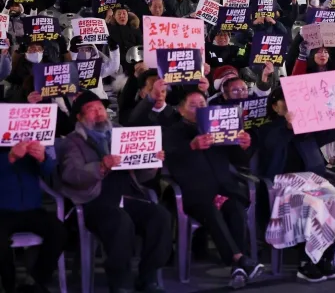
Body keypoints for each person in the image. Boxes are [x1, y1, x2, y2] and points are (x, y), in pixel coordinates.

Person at [57, 91, 171, 293]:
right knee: (121, 222)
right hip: (95, 200)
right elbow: (71, 175)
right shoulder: (72, 142)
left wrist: (152, 161)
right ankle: (120, 283)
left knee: (160, 216)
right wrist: (100, 166)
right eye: (91, 110)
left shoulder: (120, 132)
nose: (98, 113)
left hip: (129, 195)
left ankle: (149, 277)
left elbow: (143, 176)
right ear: (80, 118)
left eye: (100, 108)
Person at [161, 90, 264, 289]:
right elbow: (169, 159)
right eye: (193, 105)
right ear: (181, 111)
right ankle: (240, 259)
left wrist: (244, 146)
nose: (200, 108)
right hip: (194, 193)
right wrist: (190, 146)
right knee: (211, 211)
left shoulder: (219, 127)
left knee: (234, 208)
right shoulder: (173, 132)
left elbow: (239, 160)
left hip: (224, 188)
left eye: (202, 103)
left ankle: (238, 267)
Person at [260, 87, 335, 282]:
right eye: (284, 101)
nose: (290, 105)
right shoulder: (267, 129)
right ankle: (306, 263)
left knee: (334, 201)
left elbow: (332, 132)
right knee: (314, 204)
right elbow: (273, 143)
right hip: (284, 185)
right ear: (275, 107)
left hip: (312, 181)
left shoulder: (308, 127)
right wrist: (288, 127)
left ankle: (326, 258)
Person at [0, 141, 67, 293]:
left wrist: (43, 158)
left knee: (59, 232)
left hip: (33, 208)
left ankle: (36, 280)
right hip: (2, 210)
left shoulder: (33, 136)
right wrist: (9, 158)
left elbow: (49, 170)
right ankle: (8, 286)